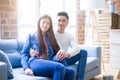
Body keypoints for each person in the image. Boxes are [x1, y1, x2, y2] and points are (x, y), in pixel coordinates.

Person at [21, 14, 75, 80]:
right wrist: (26, 68)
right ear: (39, 22)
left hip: (50, 61)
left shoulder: (50, 37)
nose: (45, 25)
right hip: (36, 62)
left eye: (48, 23)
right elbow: (24, 53)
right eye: (43, 22)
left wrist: (61, 51)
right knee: (59, 67)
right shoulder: (31, 36)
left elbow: (57, 51)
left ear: (50, 26)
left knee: (71, 71)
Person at [54, 12, 87, 80]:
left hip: (65, 58)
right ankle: (68, 72)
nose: (61, 23)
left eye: (63, 20)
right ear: (56, 21)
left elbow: (76, 48)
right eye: (59, 20)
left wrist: (67, 54)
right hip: (56, 59)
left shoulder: (69, 36)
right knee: (59, 57)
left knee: (83, 52)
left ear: (67, 23)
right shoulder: (52, 34)